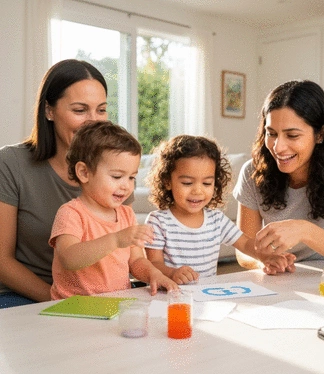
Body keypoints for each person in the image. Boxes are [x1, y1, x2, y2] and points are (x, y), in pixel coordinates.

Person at [233, 79, 324, 275]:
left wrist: (304, 230)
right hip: (283, 280)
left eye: (292, 135)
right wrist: (264, 260)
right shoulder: (253, 172)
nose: (278, 147)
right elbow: (243, 250)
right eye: (272, 133)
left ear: (320, 134)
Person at [0, 59, 111, 308]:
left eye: (101, 110)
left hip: (95, 296)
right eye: (80, 110)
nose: (93, 121)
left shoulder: (113, 169)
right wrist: (63, 302)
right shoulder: (10, 163)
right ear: (49, 111)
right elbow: (2, 262)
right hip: (25, 296)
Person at [49, 120, 178, 299]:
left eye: (132, 177)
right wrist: (116, 240)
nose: (126, 186)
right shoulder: (71, 213)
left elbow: (136, 261)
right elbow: (69, 258)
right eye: (117, 176)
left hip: (115, 303)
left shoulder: (126, 214)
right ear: (84, 173)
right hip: (73, 307)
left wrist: (154, 275)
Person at [144, 135, 286, 284]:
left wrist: (266, 256)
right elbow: (153, 264)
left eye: (206, 183)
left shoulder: (216, 220)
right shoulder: (158, 221)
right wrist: (172, 273)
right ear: (167, 182)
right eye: (187, 183)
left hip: (207, 294)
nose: (197, 191)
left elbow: (244, 243)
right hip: (171, 296)